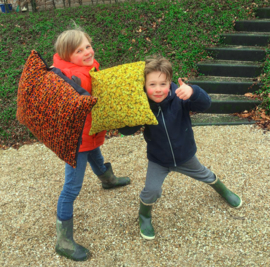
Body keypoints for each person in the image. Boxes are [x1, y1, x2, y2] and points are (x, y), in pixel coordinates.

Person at [119, 55, 242, 240]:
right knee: (151, 191)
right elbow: (127, 131)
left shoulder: (180, 96)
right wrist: (127, 115)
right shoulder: (141, 104)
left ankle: (224, 191)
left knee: (205, 174)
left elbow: (206, 104)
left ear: (170, 83)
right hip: (159, 159)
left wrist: (193, 91)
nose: (158, 89)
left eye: (163, 83)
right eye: (152, 84)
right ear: (143, 85)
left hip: (185, 155)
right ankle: (144, 215)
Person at [52, 28, 130, 261]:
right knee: (71, 188)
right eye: (79, 50)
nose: (87, 52)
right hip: (77, 140)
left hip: (89, 133)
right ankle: (63, 240)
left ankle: (108, 179)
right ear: (67, 55)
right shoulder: (73, 77)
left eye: (88, 46)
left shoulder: (85, 68)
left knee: (95, 151)